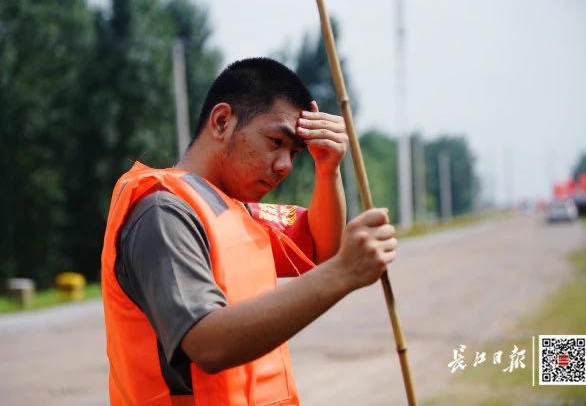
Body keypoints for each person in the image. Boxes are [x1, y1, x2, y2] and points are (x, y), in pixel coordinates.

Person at [101, 58, 397, 406]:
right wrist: (344, 273)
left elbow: (321, 249)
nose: (285, 165)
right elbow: (208, 343)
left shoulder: (235, 210)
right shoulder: (164, 212)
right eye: (275, 141)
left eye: (295, 153)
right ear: (222, 121)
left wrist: (327, 170)